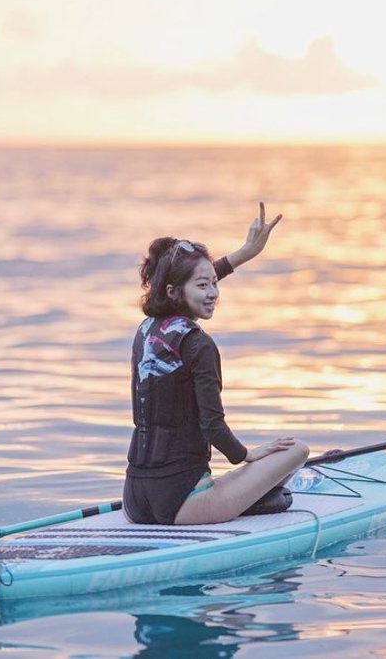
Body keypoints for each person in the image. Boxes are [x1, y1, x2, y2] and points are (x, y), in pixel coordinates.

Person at [123, 203, 310, 525]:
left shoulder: (147, 330)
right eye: (203, 286)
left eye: (214, 283)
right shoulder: (199, 344)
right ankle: (250, 501)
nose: (213, 293)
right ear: (175, 291)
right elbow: (213, 426)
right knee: (298, 451)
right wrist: (247, 454)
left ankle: (248, 497)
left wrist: (245, 253)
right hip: (181, 502)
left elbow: (189, 281)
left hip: (135, 500)